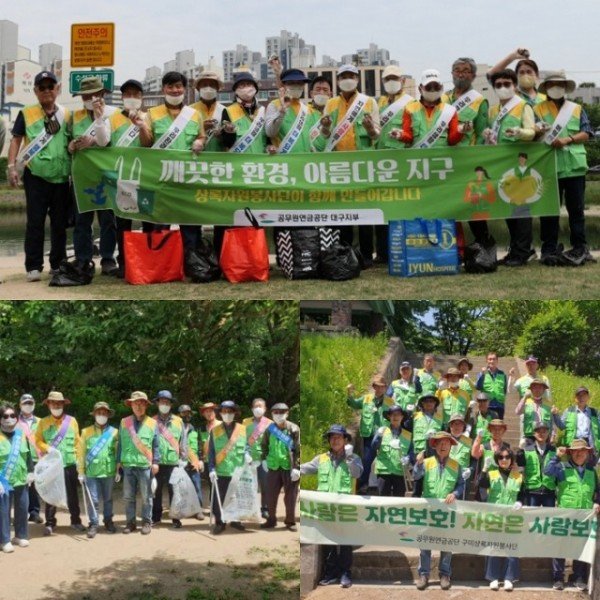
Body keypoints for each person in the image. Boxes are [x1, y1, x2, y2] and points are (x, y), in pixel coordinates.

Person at [7, 71, 71, 282]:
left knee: (59, 224)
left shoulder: (66, 114)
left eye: (50, 87)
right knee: (35, 222)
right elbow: (16, 140)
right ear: (35, 91)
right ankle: (33, 266)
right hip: (36, 176)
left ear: (57, 89)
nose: (46, 91)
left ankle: (58, 264)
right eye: (41, 87)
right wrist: (11, 166)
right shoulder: (26, 113)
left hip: (61, 178)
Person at [315, 64, 380, 267]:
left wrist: (370, 128)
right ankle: (345, 253)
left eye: (351, 76)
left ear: (357, 79)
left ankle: (367, 256)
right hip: (339, 164)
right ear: (338, 80)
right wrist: (325, 127)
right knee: (343, 212)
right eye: (344, 76)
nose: (347, 79)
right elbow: (325, 135)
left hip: (362, 164)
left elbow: (376, 136)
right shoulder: (332, 103)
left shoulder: (369, 102)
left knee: (365, 212)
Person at [534, 73, 595, 266]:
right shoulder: (537, 109)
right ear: (547, 87)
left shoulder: (576, 108)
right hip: (549, 166)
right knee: (550, 211)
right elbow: (532, 136)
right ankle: (549, 248)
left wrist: (568, 140)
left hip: (574, 166)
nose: (556, 87)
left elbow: (588, 132)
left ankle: (580, 247)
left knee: (576, 210)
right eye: (552, 84)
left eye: (560, 84)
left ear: (565, 87)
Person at [145, 71, 206, 256]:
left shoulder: (195, 115)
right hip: (161, 179)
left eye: (178, 86)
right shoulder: (151, 114)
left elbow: (201, 136)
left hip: (188, 178)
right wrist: (141, 127)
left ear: (184, 88)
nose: (174, 90)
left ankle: (192, 262)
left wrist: (200, 142)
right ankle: (160, 263)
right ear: (163, 89)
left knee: (190, 225)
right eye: (170, 86)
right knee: (160, 225)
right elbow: (146, 143)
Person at [67, 76, 118, 281]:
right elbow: (67, 144)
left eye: (94, 94)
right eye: (85, 96)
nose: (90, 99)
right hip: (82, 176)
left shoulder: (112, 115)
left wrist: (95, 133)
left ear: (103, 94)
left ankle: (107, 259)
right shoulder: (73, 117)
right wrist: (71, 146)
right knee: (82, 221)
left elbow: (106, 142)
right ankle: (83, 259)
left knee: (108, 220)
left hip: (106, 174)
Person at [300, 424, 363, 589]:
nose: (335, 440)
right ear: (329, 440)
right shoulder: (321, 459)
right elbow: (306, 468)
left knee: (345, 541)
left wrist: (348, 458)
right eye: (332, 437)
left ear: (345, 440)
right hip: (325, 508)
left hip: (344, 508)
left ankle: (345, 573)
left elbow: (357, 473)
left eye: (339, 437)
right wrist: (294, 470)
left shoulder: (353, 458)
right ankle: (330, 572)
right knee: (327, 540)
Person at [485, 69, 536, 267]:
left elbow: (531, 132)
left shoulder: (524, 106)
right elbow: (491, 138)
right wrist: (488, 135)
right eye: (498, 85)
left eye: (507, 84)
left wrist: (518, 132)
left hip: (519, 166)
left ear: (514, 85)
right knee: (508, 209)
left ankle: (523, 252)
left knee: (521, 208)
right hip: (500, 166)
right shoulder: (492, 111)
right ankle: (515, 250)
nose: (503, 88)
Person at [216, 71, 268, 257]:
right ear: (235, 90)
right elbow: (226, 143)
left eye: (249, 84)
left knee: (257, 217)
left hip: (260, 172)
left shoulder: (263, 111)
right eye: (241, 85)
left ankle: (255, 257)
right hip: (238, 172)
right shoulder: (228, 111)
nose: (246, 88)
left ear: (255, 87)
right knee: (235, 216)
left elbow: (268, 138)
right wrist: (228, 133)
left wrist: (270, 147)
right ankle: (233, 257)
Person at [106, 78, 153, 279]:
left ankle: (147, 261)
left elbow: (149, 143)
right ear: (122, 97)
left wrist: (141, 126)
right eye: (128, 94)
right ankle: (124, 263)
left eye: (136, 94)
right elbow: (105, 144)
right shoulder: (113, 118)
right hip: (121, 178)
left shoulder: (149, 116)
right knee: (123, 223)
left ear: (142, 98)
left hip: (145, 177)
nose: (132, 98)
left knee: (147, 222)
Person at [443, 57, 492, 246]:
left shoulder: (479, 101)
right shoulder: (443, 98)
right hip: (444, 161)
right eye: (456, 70)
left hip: (467, 162)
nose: (460, 73)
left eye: (465, 70)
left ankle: (483, 245)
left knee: (472, 207)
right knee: (446, 206)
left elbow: (481, 135)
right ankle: (452, 248)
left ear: (472, 75)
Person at [545, 439, 600, 591]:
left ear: (588, 453)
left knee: (581, 547)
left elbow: (598, 490)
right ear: (570, 453)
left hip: (585, 516)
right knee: (560, 547)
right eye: (575, 451)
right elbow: (547, 473)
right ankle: (558, 578)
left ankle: (578, 577)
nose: (579, 453)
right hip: (565, 514)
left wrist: (597, 501)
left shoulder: (591, 470)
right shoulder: (562, 467)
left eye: (582, 450)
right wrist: (556, 457)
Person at [413, 431, 464, 590]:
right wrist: (418, 464)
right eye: (440, 443)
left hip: (447, 511)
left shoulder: (456, 465)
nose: (443, 446)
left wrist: (454, 493)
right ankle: (424, 574)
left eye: (446, 443)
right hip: (428, 509)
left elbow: (461, 485)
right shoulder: (426, 462)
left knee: (446, 543)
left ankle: (445, 574)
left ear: (450, 446)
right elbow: (416, 476)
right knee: (425, 542)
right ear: (434, 446)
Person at [374, 64, 414, 263]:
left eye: (395, 78)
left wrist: (403, 135)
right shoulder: (378, 103)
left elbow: (414, 133)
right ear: (383, 82)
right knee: (381, 209)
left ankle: (402, 249)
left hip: (402, 163)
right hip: (380, 164)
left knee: (401, 208)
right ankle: (382, 253)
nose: (391, 82)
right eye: (388, 79)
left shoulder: (411, 104)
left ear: (403, 81)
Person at [34, 391, 84, 535]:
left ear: (63, 404)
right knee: (51, 494)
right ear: (48, 405)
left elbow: (78, 443)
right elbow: (37, 440)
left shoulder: (72, 421)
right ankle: (50, 523)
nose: (56, 405)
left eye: (59, 403)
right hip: (52, 465)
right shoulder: (43, 422)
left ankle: (76, 521)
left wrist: (79, 464)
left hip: (69, 463)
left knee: (73, 494)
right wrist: (47, 448)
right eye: (53, 403)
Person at [478, 448, 524, 591]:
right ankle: (493, 578)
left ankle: (510, 578)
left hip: (512, 516)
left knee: (511, 546)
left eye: (507, 457)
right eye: (501, 457)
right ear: (497, 459)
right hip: (495, 516)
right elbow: (481, 484)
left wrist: (520, 502)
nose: (504, 459)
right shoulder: (491, 474)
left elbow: (523, 494)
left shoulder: (518, 476)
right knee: (494, 547)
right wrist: (485, 469)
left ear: (511, 459)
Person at [116, 391, 159, 535]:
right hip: (128, 466)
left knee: (147, 496)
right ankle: (130, 523)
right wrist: (118, 462)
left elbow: (156, 445)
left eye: (141, 403)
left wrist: (156, 462)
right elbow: (120, 443)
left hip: (145, 466)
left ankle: (147, 522)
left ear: (146, 405)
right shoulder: (124, 422)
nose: (138, 406)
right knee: (128, 497)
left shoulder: (152, 423)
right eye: (136, 403)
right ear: (131, 405)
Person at [207, 401, 251, 535]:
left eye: (230, 412)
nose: (227, 414)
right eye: (224, 412)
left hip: (237, 470)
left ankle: (235, 520)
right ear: (220, 413)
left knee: (237, 497)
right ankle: (220, 522)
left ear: (235, 413)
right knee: (218, 498)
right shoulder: (215, 431)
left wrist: (248, 454)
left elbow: (247, 446)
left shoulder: (242, 429)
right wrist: (211, 469)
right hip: (221, 470)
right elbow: (212, 452)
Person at [346, 375, 395, 492]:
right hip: (369, 435)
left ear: (385, 388)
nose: (379, 389)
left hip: (384, 436)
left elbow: (395, 417)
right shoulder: (366, 398)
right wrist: (349, 394)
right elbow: (353, 404)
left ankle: (385, 486)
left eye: (382, 387)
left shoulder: (390, 402)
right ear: (373, 387)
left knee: (385, 461)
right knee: (367, 460)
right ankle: (362, 485)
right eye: (377, 386)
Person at [76, 401, 118, 538]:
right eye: (99, 413)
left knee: (108, 499)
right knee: (92, 499)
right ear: (94, 415)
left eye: (104, 413)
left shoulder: (114, 432)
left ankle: (108, 521)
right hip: (91, 472)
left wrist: (118, 470)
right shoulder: (85, 432)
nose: (101, 415)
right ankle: (94, 524)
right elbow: (80, 453)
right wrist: (80, 472)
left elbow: (118, 453)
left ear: (108, 415)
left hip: (109, 471)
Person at [399, 69, 464, 149]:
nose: (432, 90)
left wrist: (461, 131)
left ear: (442, 88)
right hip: (418, 158)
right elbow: (409, 138)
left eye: (436, 87)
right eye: (428, 87)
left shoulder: (450, 111)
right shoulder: (410, 109)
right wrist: (400, 135)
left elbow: (452, 141)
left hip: (441, 157)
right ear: (420, 89)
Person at [260, 403, 300, 530]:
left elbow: (298, 449)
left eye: (281, 412)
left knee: (290, 496)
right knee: (270, 495)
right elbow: (264, 446)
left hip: (289, 467)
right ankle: (271, 520)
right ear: (272, 414)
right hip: (273, 467)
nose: (278, 415)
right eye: (275, 412)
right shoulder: (269, 429)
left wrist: (296, 467)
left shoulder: (294, 429)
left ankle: (290, 522)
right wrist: (264, 460)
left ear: (287, 413)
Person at [0, 403, 33, 552]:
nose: (9, 419)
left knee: (22, 508)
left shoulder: (22, 435)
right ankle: (4, 540)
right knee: (3, 511)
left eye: (12, 415)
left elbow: (28, 457)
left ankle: (20, 535)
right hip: (3, 482)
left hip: (21, 479)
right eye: (5, 416)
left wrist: (31, 472)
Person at [151, 390, 187, 528]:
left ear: (171, 404)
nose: (164, 404)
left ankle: (175, 517)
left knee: (174, 491)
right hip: (157, 462)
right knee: (156, 490)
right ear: (157, 403)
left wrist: (183, 459)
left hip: (173, 462)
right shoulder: (152, 421)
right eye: (162, 402)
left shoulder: (178, 421)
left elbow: (183, 441)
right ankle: (156, 516)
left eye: (167, 402)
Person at [266, 68, 319, 154]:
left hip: (305, 160)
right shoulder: (274, 105)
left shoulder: (307, 109)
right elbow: (270, 133)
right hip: (284, 161)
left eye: (299, 83)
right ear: (283, 86)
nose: (296, 86)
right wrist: (281, 113)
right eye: (291, 83)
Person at [371, 405, 412, 497]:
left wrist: (408, 458)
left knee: (399, 499)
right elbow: (373, 447)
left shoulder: (408, 435)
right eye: (393, 415)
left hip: (399, 471)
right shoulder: (382, 431)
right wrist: (378, 437)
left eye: (398, 415)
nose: (395, 417)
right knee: (383, 498)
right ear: (389, 417)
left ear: (402, 417)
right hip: (384, 471)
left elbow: (411, 452)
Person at [242, 398, 272, 519]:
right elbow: (242, 440)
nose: (258, 408)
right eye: (255, 406)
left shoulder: (270, 424)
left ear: (265, 409)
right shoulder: (245, 422)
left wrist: (268, 458)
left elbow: (272, 443)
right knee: (250, 485)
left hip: (264, 460)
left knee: (265, 485)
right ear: (252, 408)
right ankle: (251, 508)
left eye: (260, 406)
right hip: (249, 460)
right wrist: (245, 454)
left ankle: (265, 508)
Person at [515, 423, 557, 508]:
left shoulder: (554, 451)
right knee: (530, 518)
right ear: (534, 434)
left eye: (544, 432)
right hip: (532, 491)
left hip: (549, 490)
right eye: (538, 432)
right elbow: (520, 465)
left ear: (548, 433)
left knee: (548, 518)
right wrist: (520, 450)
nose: (541, 434)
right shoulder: (527, 450)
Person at [17, 394, 42, 524]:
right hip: (21, 458)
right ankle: (21, 513)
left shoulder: (40, 421)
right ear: (20, 405)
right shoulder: (14, 421)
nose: (28, 405)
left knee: (35, 487)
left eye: (30, 403)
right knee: (21, 486)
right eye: (25, 403)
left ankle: (34, 512)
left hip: (38, 457)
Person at [552, 386, 600, 455]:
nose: (581, 398)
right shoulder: (569, 411)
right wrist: (555, 415)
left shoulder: (595, 412)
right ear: (575, 398)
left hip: (590, 445)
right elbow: (561, 426)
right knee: (573, 465)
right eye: (579, 396)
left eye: (584, 395)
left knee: (589, 465)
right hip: (573, 444)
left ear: (588, 397)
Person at [472, 419, 511, 501]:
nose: (497, 431)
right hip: (485, 482)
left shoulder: (507, 447)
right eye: (494, 429)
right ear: (490, 430)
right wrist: (478, 438)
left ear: (503, 431)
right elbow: (474, 454)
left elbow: (511, 465)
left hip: (500, 482)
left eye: (499, 429)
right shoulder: (484, 446)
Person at [190, 71, 228, 152]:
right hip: (195, 160)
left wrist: (223, 136)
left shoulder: (225, 111)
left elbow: (230, 142)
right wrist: (201, 129)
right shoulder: (189, 111)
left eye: (212, 85)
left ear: (218, 88)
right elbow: (183, 138)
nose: (208, 88)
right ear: (198, 88)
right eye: (204, 85)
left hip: (217, 160)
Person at [178, 404, 204, 519]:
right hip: (180, 462)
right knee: (180, 488)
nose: (187, 415)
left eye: (189, 413)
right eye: (184, 413)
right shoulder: (176, 428)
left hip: (193, 462)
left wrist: (200, 460)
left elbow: (200, 446)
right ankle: (182, 509)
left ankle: (198, 510)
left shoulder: (194, 429)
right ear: (179, 414)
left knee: (197, 486)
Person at [514, 379, 553, 443]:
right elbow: (518, 412)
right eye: (535, 388)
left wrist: (553, 435)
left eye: (540, 388)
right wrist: (525, 397)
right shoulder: (526, 402)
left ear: (543, 390)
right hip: (530, 436)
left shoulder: (548, 404)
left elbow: (552, 422)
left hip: (544, 437)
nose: (537, 390)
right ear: (531, 390)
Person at [476, 353, 508, 420]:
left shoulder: (502, 374)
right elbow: (478, 387)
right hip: (487, 406)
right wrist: (482, 375)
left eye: (494, 359)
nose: (492, 361)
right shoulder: (481, 373)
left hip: (499, 406)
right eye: (490, 359)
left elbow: (504, 390)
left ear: (497, 360)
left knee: (498, 428)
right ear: (487, 361)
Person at [448, 414, 474, 495]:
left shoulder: (469, 441)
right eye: (454, 424)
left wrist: (470, 469)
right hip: (447, 477)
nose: (457, 426)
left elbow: (474, 460)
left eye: (460, 424)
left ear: (463, 426)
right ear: (450, 426)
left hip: (463, 477)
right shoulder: (444, 439)